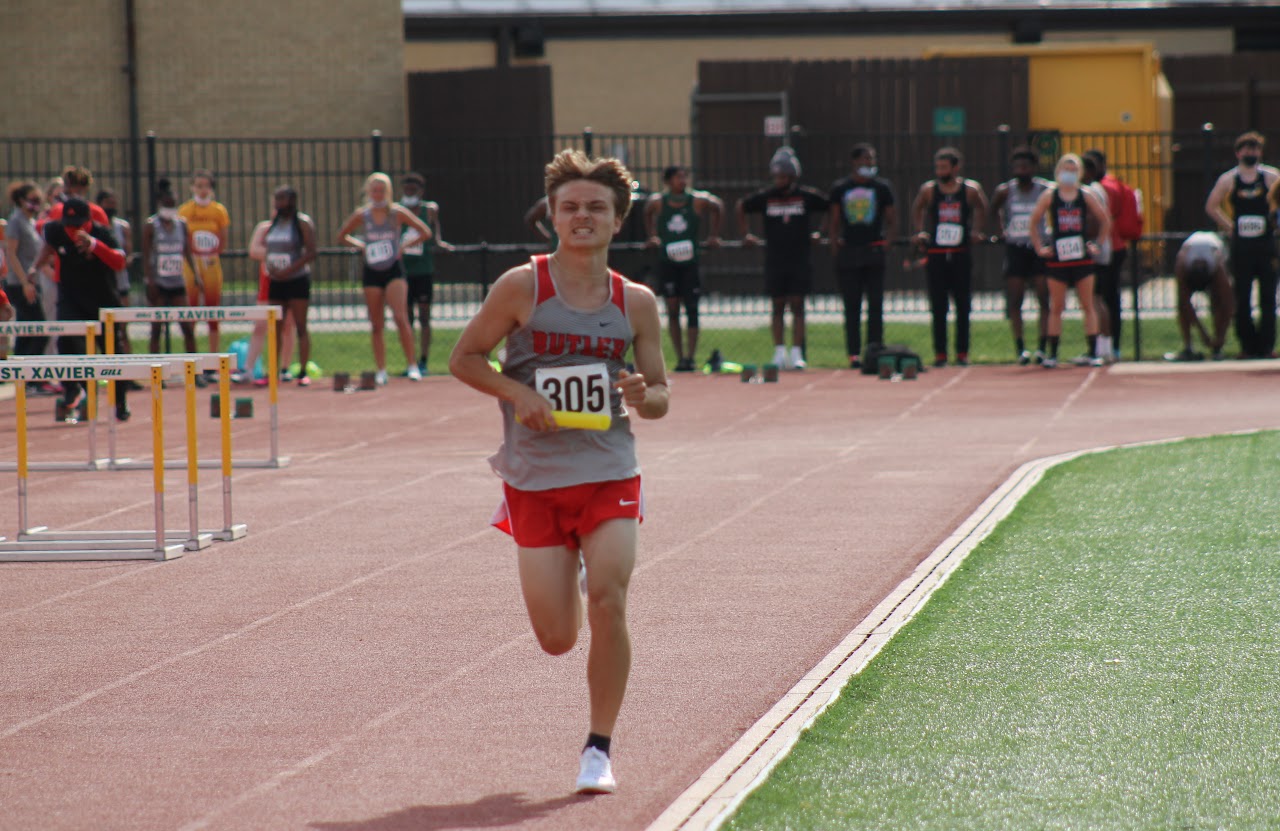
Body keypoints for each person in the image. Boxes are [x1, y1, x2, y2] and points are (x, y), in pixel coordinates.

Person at [449, 149, 669, 795]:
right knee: (555, 637)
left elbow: (659, 396)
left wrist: (640, 393)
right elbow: (465, 358)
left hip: (608, 470)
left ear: (617, 220)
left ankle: (598, 746)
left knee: (611, 599)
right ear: (552, 215)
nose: (582, 216)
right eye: (570, 206)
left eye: (596, 207)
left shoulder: (637, 301)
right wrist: (521, 396)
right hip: (534, 476)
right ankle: (565, 567)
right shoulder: (522, 286)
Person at [31, 198, 130, 420]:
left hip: (102, 301)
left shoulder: (102, 233)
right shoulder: (56, 230)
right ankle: (75, 388)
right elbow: (48, 246)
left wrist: (94, 245)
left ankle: (120, 401)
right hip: (71, 299)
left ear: (88, 221)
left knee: (113, 352)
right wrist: (34, 268)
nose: (74, 229)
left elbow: (120, 262)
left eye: (79, 224)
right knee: (66, 341)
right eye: (70, 224)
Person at [336, 172, 433, 384]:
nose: (378, 194)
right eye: (374, 190)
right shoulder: (363, 215)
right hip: (372, 270)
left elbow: (424, 232)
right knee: (376, 323)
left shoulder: (396, 213)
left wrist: (403, 247)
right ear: (368, 192)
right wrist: (362, 246)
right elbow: (341, 235)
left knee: (400, 317)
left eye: (381, 190)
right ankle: (381, 369)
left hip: (393, 269)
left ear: (387, 192)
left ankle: (412, 365)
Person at [737, 146, 828, 370]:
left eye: (783, 176)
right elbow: (741, 206)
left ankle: (797, 353)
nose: (778, 180)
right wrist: (746, 234)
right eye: (776, 176)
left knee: (798, 305)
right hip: (775, 259)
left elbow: (829, 207)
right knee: (777, 305)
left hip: (799, 258)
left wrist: (821, 233)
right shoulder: (767, 197)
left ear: (792, 176)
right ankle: (779, 351)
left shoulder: (806, 196)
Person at [1029, 154, 1112, 369]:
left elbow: (1105, 220)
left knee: (1088, 304)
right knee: (1057, 306)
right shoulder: (1050, 195)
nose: (1069, 173)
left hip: (1081, 258)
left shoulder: (1086, 195)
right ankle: (1053, 354)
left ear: (1080, 173)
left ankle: (1093, 352)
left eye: (1073, 169)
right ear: (1058, 171)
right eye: (1066, 169)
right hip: (1058, 258)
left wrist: (1097, 244)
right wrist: (1039, 247)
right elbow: (1034, 221)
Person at [1205, 132, 1280, 359]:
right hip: (1242, 248)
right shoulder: (1229, 179)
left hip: (1265, 245)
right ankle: (1247, 346)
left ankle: (1267, 346)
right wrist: (1230, 227)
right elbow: (1211, 206)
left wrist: (1274, 223)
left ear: (1260, 152)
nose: (1251, 153)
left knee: (1268, 296)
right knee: (1242, 296)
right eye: (1247, 149)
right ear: (1238, 153)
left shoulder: (1270, 177)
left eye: (1255, 149)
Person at [911, 147, 988, 367]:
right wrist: (919, 232)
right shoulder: (929, 190)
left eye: (944, 167)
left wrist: (976, 231)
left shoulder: (970, 189)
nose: (940, 171)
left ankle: (962, 352)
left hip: (960, 253)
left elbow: (982, 207)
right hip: (936, 254)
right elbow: (918, 208)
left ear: (956, 167)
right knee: (938, 305)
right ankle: (940, 353)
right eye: (937, 167)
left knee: (963, 304)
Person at [644, 165, 723, 372]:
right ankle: (679, 357)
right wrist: (652, 234)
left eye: (685, 177)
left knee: (692, 309)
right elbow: (646, 211)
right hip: (668, 262)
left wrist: (713, 235)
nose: (683, 181)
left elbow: (717, 206)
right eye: (678, 177)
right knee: (672, 309)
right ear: (668, 181)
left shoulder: (695, 200)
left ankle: (691, 356)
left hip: (690, 264)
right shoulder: (659, 202)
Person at [829, 144, 896, 369]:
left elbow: (891, 218)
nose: (870, 163)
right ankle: (853, 353)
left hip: (873, 250)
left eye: (872, 159)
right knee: (852, 305)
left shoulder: (882, 187)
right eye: (866, 159)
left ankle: (874, 348)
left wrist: (887, 242)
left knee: (875, 303)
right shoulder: (841, 188)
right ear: (855, 161)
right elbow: (835, 219)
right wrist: (835, 244)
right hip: (849, 250)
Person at [989, 146, 1050, 365]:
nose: (1020, 170)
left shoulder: (1045, 189)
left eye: (1025, 166)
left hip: (1039, 248)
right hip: (1016, 247)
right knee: (1015, 299)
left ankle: (1043, 347)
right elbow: (992, 208)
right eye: (1017, 166)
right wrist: (1000, 231)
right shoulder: (1006, 190)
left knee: (1044, 297)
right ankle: (1021, 348)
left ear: (1033, 168)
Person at [252, 185, 317, 386]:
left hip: (297, 280)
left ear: (292, 200)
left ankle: (303, 371)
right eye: (276, 198)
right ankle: (274, 372)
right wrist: (272, 267)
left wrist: (289, 270)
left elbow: (311, 252)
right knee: (275, 328)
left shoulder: (302, 223)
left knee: (300, 326)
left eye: (283, 199)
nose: (279, 203)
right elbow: (268, 250)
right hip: (276, 281)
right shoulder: (273, 224)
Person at [400, 172, 454, 375]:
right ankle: (410, 361)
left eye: (413, 190)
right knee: (406, 317)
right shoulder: (397, 211)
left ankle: (423, 359)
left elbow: (434, 232)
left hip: (423, 270)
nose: (409, 193)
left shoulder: (428, 210)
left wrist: (440, 243)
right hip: (403, 270)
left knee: (424, 316)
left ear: (421, 191)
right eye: (406, 190)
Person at [142, 180, 202, 364]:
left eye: (173, 205)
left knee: (187, 327)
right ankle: (155, 370)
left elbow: (187, 252)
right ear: (160, 204)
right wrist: (149, 281)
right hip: (159, 283)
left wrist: (196, 275)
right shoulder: (151, 225)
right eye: (167, 205)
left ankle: (194, 370)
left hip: (177, 282)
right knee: (156, 329)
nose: (170, 208)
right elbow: (146, 255)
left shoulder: (182, 224)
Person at [4, 183, 54, 387]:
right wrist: (24, 282)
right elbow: (11, 253)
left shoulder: (30, 221)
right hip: (19, 284)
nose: (36, 204)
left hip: (32, 281)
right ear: (21, 200)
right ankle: (31, 378)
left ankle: (21, 378)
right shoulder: (16, 221)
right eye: (32, 200)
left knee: (26, 332)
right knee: (39, 330)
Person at [178, 169, 231, 361]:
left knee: (212, 311)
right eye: (199, 186)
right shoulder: (185, 211)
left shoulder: (218, 211)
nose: (202, 190)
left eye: (206, 186)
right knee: (191, 310)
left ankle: (213, 358)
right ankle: (191, 358)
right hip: (191, 265)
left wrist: (211, 253)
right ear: (192, 187)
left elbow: (223, 239)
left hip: (211, 263)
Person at [242, 220, 298, 386]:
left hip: (288, 282)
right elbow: (254, 251)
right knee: (260, 326)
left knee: (288, 326)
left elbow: (299, 252)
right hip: (268, 285)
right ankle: (248, 369)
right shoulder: (264, 228)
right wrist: (277, 251)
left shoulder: (296, 228)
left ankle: (284, 368)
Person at [1165, 231, 1233, 362]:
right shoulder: (1183, 264)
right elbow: (1184, 302)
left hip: (1213, 252)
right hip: (1194, 252)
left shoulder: (1217, 267)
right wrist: (1203, 332)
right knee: (1182, 308)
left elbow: (1228, 303)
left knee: (1218, 304)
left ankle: (1218, 348)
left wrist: (1221, 337)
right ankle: (1188, 347)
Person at [97, 188, 134, 357]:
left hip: (120, 281)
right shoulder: (96, 227)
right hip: (103, 282)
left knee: (123, 329)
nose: (112, 206)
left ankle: (128, 373)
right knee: (101, 330)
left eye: (114, 203)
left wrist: (118, 260)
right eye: (108, 203)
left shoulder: (122, 227)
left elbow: (128, 254)